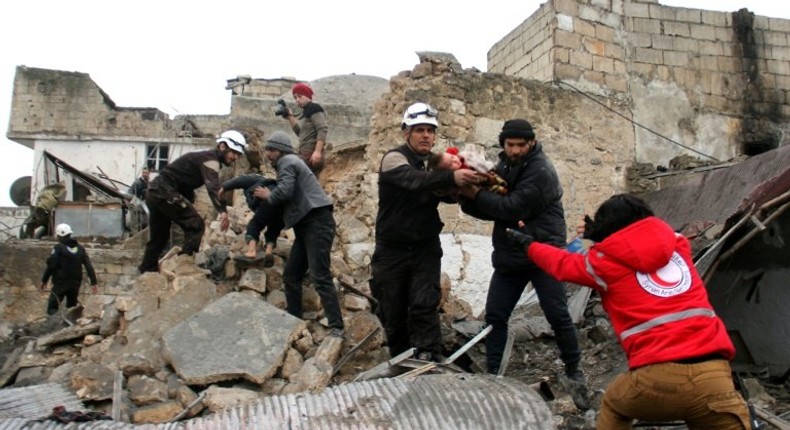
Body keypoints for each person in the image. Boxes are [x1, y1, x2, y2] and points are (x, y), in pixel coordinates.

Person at [507, 194, 751, 429]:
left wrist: (531, 246)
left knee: (614, 404)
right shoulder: (679, 247)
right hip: (715, 377)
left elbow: (563, 264)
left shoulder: (602, 263)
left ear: (608, 229)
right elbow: (642, 241)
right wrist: (602, 237)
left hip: (657, 376)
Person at [459, 119, 582, 379]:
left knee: (557, 314)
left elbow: (512, 207)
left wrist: (474, 195)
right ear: (503, 144)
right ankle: (493, 373)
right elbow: (492, 209)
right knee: (495, 316)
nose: (514, 150)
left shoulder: (541, 171)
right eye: (510, 144)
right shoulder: (505, 165)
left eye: (520, 145)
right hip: (512, 253)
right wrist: (464, 194)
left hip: (543, 252)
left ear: (532, 143)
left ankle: (574, 370)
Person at [370, 102, 478, 361]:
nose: (426, 135)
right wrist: (451, 178)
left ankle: (430, 358)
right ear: (406, 132)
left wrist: (465, 185)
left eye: (430, 130)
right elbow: (414, 181)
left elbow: (446, 195)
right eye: (419, 130)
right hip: (391, 250)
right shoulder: (394, 159)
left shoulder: (436, 165)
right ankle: (400, 362)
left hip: (424, 247)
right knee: (392, 312)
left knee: (424, 304)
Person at [254, 131, 344, 336]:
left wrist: (268, 195)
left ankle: (337, 327)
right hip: (306, 225)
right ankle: (294, 319)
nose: (268, 154)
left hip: (317, 222)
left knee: (320, 276)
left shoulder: (288, 161)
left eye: (272, 150)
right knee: (291, 275)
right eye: (267, 149)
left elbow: (284, 191)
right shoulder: (289, 163)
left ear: (282, 150)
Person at [138, 130, 246, 273]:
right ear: (222, 147)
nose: (235, 157)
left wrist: (190, 202)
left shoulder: (204, 157)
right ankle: (185, 266)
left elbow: (183, 181)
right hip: (164, 192)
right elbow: (213, 187)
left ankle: (147, 270)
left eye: (238, 154)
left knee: (159, 237)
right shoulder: (210, 159)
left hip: (155, 192)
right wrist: (223, 212)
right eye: (234, 153)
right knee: (196, 225)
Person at [219, 173, 284, 267]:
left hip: (268, 201)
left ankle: (251, 251)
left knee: (254, 225)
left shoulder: (256, 179)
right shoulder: (274, 185)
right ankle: (268, 252)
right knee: (273, 229)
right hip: (282, 206)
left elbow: (239, 179)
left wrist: (224, 187)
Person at [40, 223, 98, 315]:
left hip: (60, 283)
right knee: (72, 308)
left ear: (58, 236)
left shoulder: (58, 248)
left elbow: (51, 265)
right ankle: (70, 326)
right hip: (75, 284)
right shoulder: (80, 249)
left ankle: (54, 326)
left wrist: (44, 280)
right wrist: (94, 283)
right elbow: (88, 266)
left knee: (52, 306)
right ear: (70, 234)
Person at [280, 82, 328, 175]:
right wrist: (290, 117)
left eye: (300, 96)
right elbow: (300, 133)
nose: (297, 100)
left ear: (307, 96)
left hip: (311, 155)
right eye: (295, 98)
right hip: (304, 154)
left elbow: (322, 129)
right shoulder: (305, 112)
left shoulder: (314, 108)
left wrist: (317, 152)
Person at [427, 146, 508, 195]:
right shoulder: (463, 175)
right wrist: (490, 178)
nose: (455, 160)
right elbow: (480, 178)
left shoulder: (462, 157)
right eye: (451, 164)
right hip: (486, 185)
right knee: (495, 188)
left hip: (490, 172)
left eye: (452, 157)